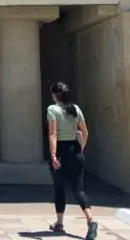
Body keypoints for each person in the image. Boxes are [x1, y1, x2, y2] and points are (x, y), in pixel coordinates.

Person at [47, 81, 98, 240]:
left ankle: (60, 223)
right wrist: (81, 147)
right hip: (75, 151)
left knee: (59, 187)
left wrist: (54, 155)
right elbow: (85, 132)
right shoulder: (76, 108)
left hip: (61, 152)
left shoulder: (52, 109)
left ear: (55, 95)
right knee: (79, 190)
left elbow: (53, 135)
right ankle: (91, 221)